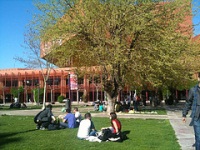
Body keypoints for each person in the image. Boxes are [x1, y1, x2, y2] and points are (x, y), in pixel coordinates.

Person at [182, 77, 200, 150]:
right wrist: (184, 114)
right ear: (199, 78)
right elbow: (188, 103)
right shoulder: (193, 90)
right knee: (199, 137)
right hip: (197, 116)